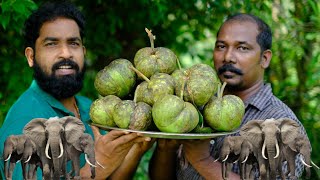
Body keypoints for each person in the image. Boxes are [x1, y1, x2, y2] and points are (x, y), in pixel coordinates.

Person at [0, 2, 153, 179]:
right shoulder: (23, 122)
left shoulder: (91, 108)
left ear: (83, 51)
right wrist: (97, 165)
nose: (66, 53)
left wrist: (135, 149)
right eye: (51, 44)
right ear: (31, 56)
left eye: (73, 43)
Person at [149, 13, 309, 179]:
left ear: (265, 58)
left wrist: (202, 160)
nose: (228, 57)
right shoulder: (192, 107)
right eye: (221, 46)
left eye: (242, 48)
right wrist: (165, 149)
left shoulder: (283, 126)